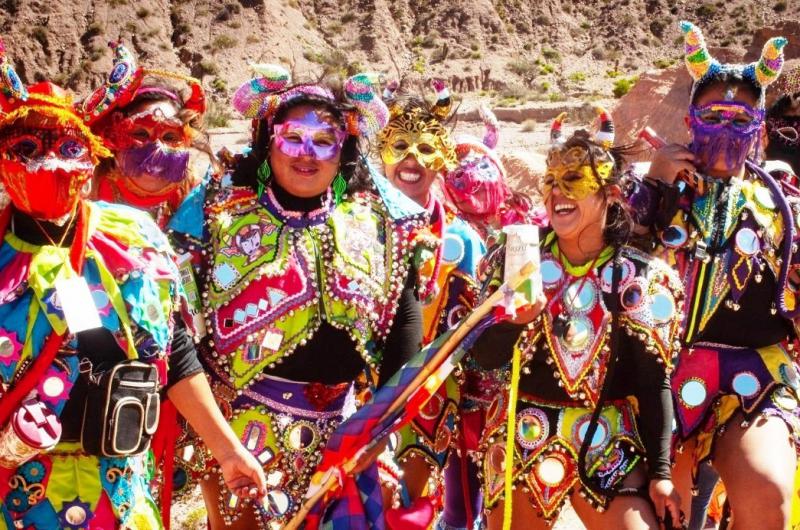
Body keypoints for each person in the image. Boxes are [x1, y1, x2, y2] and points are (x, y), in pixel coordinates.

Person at [0, 39, 265, 530]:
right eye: (28, 148)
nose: (52, 164)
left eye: (70, 146)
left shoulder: (135, 239)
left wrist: (227, 450)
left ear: (92, 152)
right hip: (15, 495)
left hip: (119, 492)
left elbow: (174, 351)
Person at [197, 64, 426, 529]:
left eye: (325, 140)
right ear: (268, 141)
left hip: (348, 432)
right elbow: (186, 333)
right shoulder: (222, 220)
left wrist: (379, 429)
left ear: (343, 151)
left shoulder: (375, 225)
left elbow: (405, 319)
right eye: (292, 137)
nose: (308, 153)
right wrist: (219, 443)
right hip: (247, 435)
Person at [471, 110, 683, 529]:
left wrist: (660, 474)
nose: (556, 193)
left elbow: (651, 380)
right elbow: (483, 357)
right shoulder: (515, 263)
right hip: (522, 432)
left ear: (612, 194)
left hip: (606, 437)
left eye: (574, 181)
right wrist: (514, 322)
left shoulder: (641, 279)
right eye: (550, 181)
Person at [638, 21, 798, 529]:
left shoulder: (785, 205)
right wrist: (654, 186)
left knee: (767, 488)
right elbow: (612, 259)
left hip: (756, 373)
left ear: (759, 126)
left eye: (740, 116)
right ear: (690, 120)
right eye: (713, 115)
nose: (726, 127)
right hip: (658, 378)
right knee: (663, 513)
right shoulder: (658, 192)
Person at [378, 80, 486, 528]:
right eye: (400, 145)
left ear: (442, 157)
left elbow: (478, 329)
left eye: (425, 148)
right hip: (363, 400)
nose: (411, 160)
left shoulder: (464, 241)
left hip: (434, 404)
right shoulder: (353, 228)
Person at [442, 104, 539, 245]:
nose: (473, 178)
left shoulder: (523, 214)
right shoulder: (452, 230)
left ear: (499, 174)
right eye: (458, 173)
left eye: (482, 166)